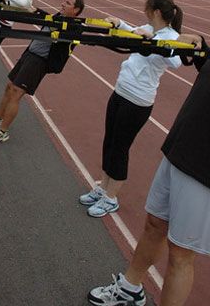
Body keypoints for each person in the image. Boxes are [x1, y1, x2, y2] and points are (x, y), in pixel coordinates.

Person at [88, 34, 209, 306]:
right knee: (154, 224)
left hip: (204, 167)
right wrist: (200, 44)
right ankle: (130, 288)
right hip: (180, 145)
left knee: (180, 253)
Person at [79, 0, 183, 218]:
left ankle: (111, 198)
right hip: (120, 91)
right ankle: (103, 187)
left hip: (138, 101)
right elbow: (133, 29)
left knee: (120, 147)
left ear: (155, 11)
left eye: (146, 6)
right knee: (109, 141)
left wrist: (151, 40)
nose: (143, 9)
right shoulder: (147, 26)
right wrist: (118, 23)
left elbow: (176, 61)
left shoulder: (172, 36)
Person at [0, 0, 85, 143]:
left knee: (16, 92)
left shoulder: (76, 27)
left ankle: (3, 131)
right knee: (9, 87)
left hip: (39, 61)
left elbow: (63, 34)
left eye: (67, 3)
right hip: (29, 55)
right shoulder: (58, 17)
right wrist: (31, 9)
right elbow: (46, 18)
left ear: (76, 10)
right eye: (64, 1)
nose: (62, 4)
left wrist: (39, 13)